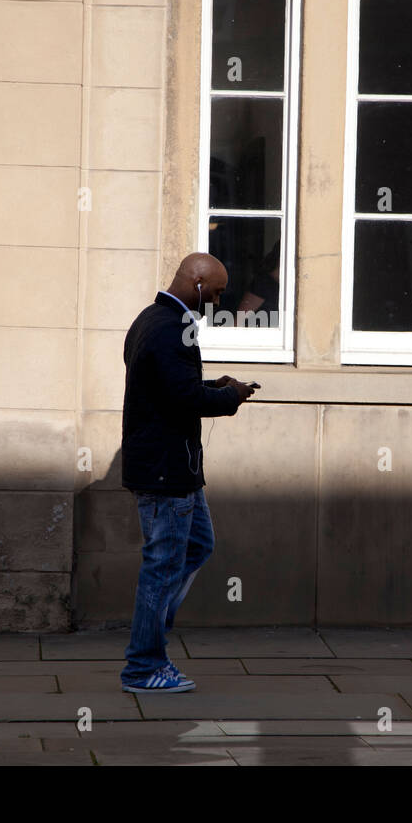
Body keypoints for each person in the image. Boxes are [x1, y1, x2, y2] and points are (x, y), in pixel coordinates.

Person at [119, 253, 258, 693]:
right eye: (215, 292)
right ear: (196, 282)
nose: (217, 300)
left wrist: (216, 386)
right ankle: (144, 665)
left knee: (198, 544)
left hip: (174, 468)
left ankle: (152, 628)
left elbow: (169, 388)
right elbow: (182, 398)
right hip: (166, 471)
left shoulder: (150, 319)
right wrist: (230, 398)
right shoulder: (169, 327)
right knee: (161, 567)